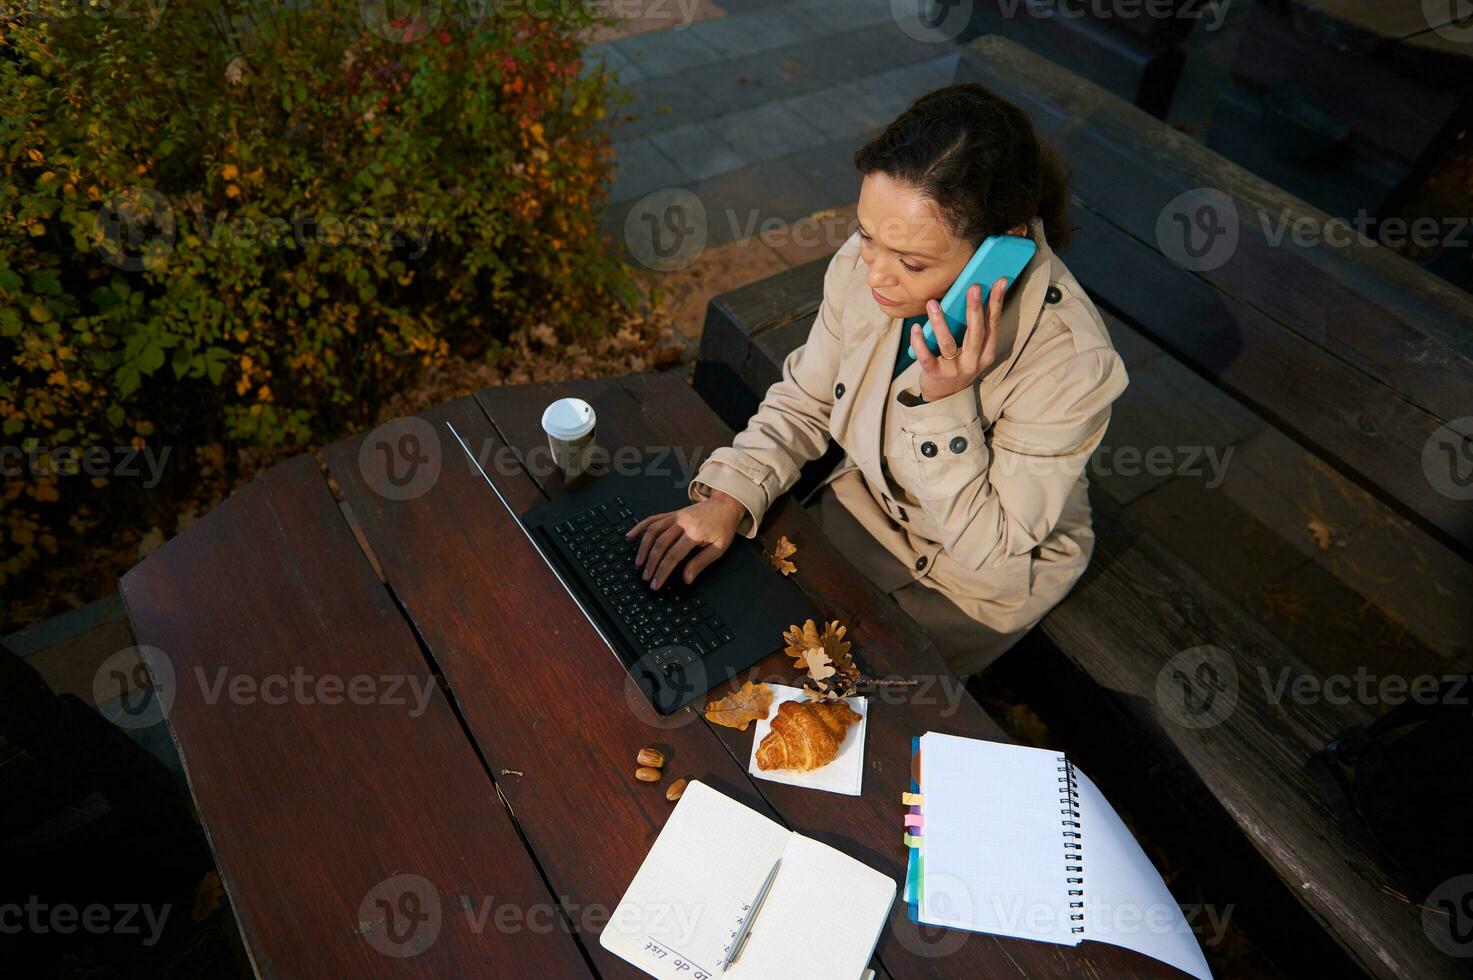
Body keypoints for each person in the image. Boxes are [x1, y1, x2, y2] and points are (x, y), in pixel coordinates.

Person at [625, 82, 1129, 676]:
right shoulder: (870, 261)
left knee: (832, 705)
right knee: (715, 636)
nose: (875, 275)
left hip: (968, 587)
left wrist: (947, 404)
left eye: (912, 264)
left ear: (1003, 251)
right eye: (867, 234)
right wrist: (732, 493)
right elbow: (806, 401)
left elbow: (987, 544)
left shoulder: (1071, 364)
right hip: (859, 514)